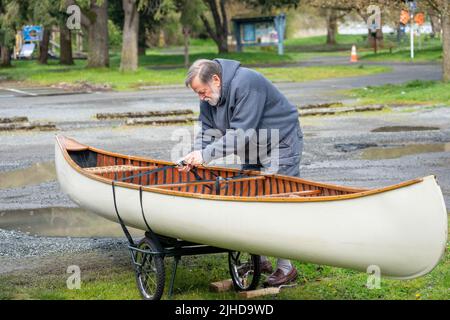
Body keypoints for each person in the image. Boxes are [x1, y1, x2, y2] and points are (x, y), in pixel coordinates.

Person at [179, 58, 303, 287]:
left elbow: (240, 133)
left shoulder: (247, 83)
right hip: (253, 145)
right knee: (249, 197)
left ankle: (286, 267)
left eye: (202, 91)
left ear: (216, 80)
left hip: (281, 141)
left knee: (280, 199)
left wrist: (206, 156)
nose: (201, 97)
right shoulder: (209, 96)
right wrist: (194, 154)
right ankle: (261, 261)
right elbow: (208, 130)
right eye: (197, 93)